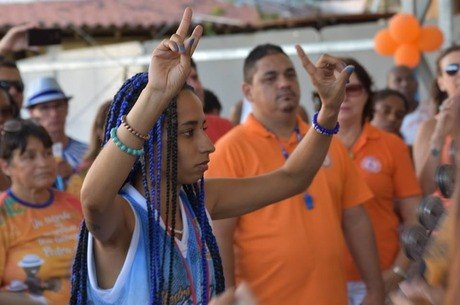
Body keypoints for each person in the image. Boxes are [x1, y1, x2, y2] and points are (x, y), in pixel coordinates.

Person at [69, 8, 354, 305]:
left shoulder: (197, 202)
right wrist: (155, 93)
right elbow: (92, 198)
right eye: (189, 132)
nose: (209, 144)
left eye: (203, 128)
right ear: (149, 141)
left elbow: (292, 178)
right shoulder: (121, 219)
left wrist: (329, 110)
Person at [206, 44, 384, 305]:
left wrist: (375, 289)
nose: (284, 83)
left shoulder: (328, 140)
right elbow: (220, 238)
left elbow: (355, 218)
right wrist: (228, 299)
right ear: (248, 92)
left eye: (290, 75)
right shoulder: (229, 150)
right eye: (270, 77)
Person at [336, 57, 422, 304]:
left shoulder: (392, 145)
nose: (342, 96)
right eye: (333, 88)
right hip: (322, 278)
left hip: (381, 277)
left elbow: (414, 218)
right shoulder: (306, 146)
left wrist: (398, 271)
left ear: (367, 95)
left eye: (351, 88)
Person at [0, 119, 82, 305]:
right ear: (6, 166)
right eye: (29, 157)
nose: (43, 163)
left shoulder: (75, 204)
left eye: (47, 153)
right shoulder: (3, 214)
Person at [413, 45, 460, 196]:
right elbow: (425, 189)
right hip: (448, 217)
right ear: (441, 83)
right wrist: (438, 137)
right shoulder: (430, 127)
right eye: (452, 69)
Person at [25, 76, 88, 185]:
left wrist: (74, 173)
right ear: (31, 113)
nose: (54, 114)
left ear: (67, 107)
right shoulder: (23, 157)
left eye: (58, 105)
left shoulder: (88, 152)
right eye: (44, 108)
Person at [187, 58, 233, 143]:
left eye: (195, 78)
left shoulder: (223, 127)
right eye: (184, 81)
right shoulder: (158, 135)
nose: (195, 86)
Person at [387, 65, 433, 146]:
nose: (405, 83)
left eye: (410, 78)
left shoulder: (431, 109)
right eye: (398, 80)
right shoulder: (385, 116)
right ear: (389, 86)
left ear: (417, 83)